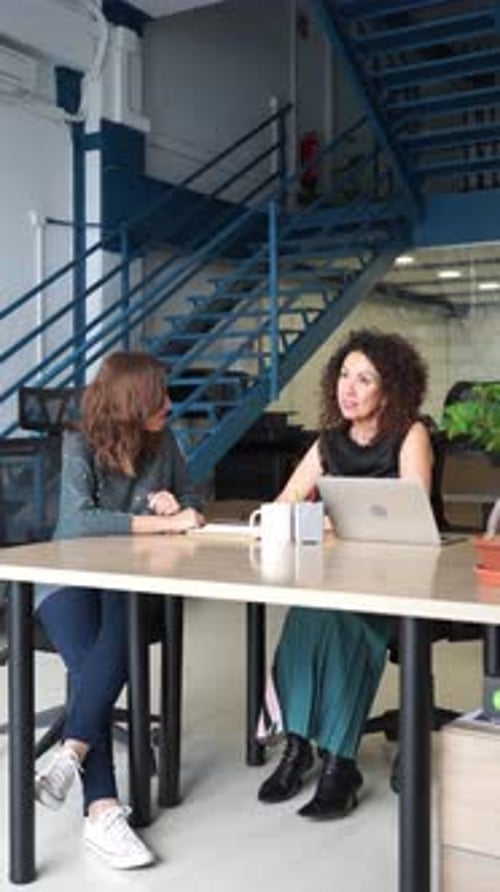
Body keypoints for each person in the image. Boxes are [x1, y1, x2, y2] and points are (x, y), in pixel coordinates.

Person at [34, 351, 205, 869]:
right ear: (132, 403)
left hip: (128, 578)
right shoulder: (80, 441)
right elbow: (77, 523)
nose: (170, 405)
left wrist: (175, 504)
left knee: (97, 658)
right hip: (65, 577)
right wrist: (162, 525)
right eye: (159, 397)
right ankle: (102, 811)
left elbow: (193, 502)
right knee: (93, 667)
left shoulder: (164, 443)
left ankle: (76, 763)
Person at [257, 328, 432, 820]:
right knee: (304, 616)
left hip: (400, 578)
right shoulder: (328, 442)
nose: (348, 388)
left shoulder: (410, 434)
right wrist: (311, 517)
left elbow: (413, 514)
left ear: (389, 389)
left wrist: (331, 521)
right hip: (336, 575)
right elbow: (286, 503)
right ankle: (298, 745)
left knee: (338, 619)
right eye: (344, 375)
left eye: (364, 379)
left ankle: (341, 763)